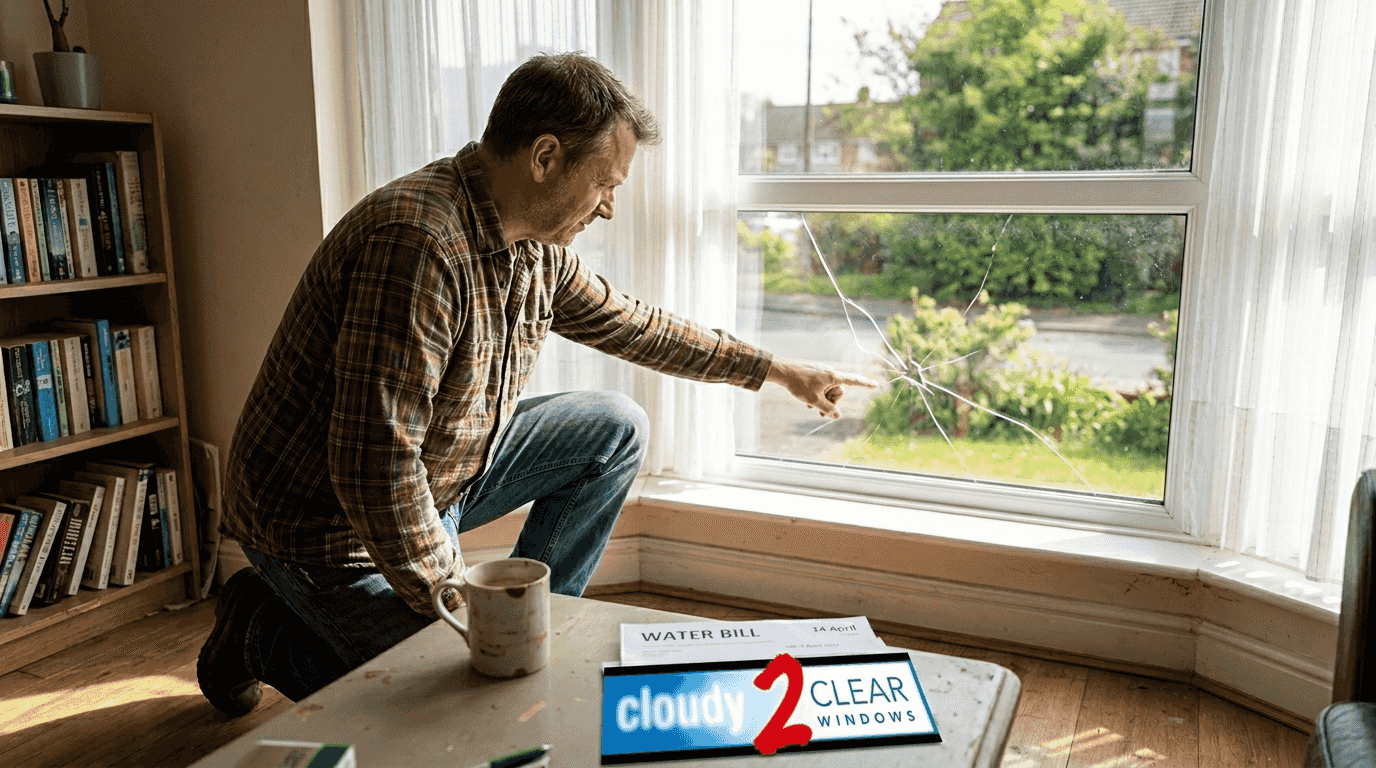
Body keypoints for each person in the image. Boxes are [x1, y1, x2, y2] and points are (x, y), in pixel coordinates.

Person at [197, 52, 876, 717]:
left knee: (612, 428)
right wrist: (463, 604)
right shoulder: (418, 244)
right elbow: (375, 471)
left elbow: (638, 326)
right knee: (463, 693)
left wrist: (779, 370)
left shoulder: (537, 248)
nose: (609, 207)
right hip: (326, 527)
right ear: (545, 157)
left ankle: (536, 621)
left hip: (440, 481)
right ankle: (257, 625)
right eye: (606, 184)